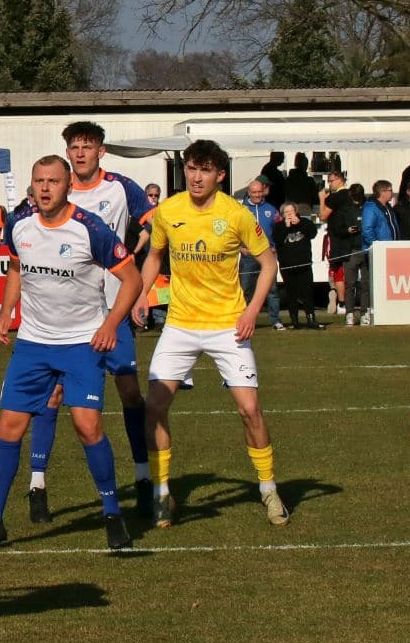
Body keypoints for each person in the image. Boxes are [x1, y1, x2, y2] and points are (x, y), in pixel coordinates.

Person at [0, 153, 140, 550]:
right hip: (33, 342)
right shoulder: (20, 225)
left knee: (87, 426)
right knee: (8, 427)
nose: (45, 189)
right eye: (39, 181)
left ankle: (113, 515)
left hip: (81, 342)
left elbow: (130, 279)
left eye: (54, 182)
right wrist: (6, 312)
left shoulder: (90, 229)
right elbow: (15, 269)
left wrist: (110, 324)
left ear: (67, 186)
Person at [133, 139, 290, 529]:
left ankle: (269, 488)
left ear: (220, 175)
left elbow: (268, 264)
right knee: (154, 407)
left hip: (227, 326)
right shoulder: (168, 211)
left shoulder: (235, 215)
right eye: (191, 168)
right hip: (180, 326)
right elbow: (154, 256)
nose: (196, 176)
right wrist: (140, 295)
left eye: (204, 170)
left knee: (249, 409)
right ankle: (162, 495)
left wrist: (252, 310)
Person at [22, 121, 155, 521]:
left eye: (88, 146)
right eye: (74, 147)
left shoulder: (121, 187)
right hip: (67, 318)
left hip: (113, 310)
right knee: (52, 397)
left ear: (102, 151)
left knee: (129, 392)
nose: (80, 153)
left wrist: (141, 286)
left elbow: (156, 229)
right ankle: (37, 484)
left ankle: (143, 476)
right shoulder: (54, 191)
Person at [240, 178, 285, 331]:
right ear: (249, 192)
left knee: (272, 290)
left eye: (260, 192)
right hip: (248, 256)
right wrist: (240, 248)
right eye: (254, 192)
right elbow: (233, 233)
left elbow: (280, 231)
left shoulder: (271, 209)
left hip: (268, 256)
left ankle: (275, 320)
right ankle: (242, 320)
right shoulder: (241, 210)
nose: (258, 195)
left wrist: (276, 247)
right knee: (245, 289)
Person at [273, 203, 323, 330]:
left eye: (291, 211)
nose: (289, 214)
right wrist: (286, 227)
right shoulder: (279, 226)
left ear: (296, 212)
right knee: (291, 294)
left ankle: (311, 319)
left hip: (304, 264)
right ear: (282, 214)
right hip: (287, 266)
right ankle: (294, 320)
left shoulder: (304, 222)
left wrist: (299, 223)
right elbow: (277, 241)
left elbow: (312, 233)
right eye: (286, 212)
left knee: (307, 293)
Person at [360, 180, 401, 325]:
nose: (392, 192)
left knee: (386, 285)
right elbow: (367, 230)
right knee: (370, 283)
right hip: (376, 253)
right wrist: (377, 247)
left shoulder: (387, 207)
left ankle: (386, 312)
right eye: (389, 190)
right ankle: (366, 313)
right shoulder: (371, 208)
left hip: (389, 251)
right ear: (382, 192)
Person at [319, 169, 351, 314]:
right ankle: (345, 301)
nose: (330, 184)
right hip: (350, 237)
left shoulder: (334, 197)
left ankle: (342, 303)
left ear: (340, 180)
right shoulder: (351, 195)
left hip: (337, 238)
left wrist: (322, 199)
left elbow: (323, 216)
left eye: (331, 181)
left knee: (337, 270)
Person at [342, 183, 369, 325]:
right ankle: (350, 313)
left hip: (366, 248)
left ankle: (365, 313)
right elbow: (339, 228)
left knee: (366, 283)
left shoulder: (368, 207)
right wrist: (347, 230)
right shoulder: (346, 209)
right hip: (351, 249)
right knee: (350, 284)